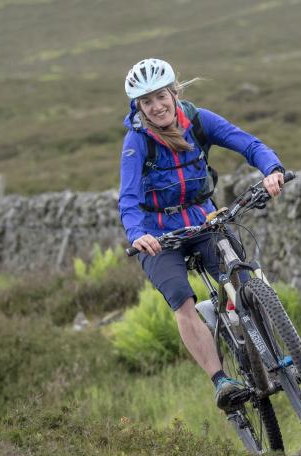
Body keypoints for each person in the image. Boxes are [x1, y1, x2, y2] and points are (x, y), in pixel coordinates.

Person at [119, 58, 284, 411]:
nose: (156, 106)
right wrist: (137, 234)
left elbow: (249, 144)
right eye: (147, 102)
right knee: (182, 298)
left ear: (173, 92)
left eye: (161, 96)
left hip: (202, 219)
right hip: (158, 235)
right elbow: (129, 200)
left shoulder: (198, 121)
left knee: (240, 274)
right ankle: (221, 381)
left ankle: (265, 343)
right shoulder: (136, 143)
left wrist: (272, 169)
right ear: (139, 106)